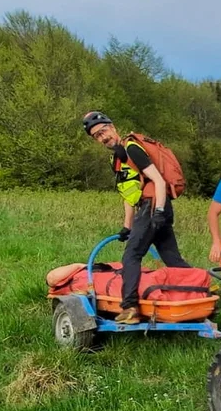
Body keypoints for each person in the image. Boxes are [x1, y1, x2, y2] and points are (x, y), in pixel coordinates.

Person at [82, 111, 192, 324]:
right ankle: (200, 291)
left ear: (112, 127)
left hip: (154, 205)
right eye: (97, 136)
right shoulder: (118, 157)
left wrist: (158, 212)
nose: (103, 137)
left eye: (103, 131)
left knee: (131, 256)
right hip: (150, 206)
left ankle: (130, 307)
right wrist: (127, 226)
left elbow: (158, 181)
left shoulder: (132, 148)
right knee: (172, 259)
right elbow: (129, 194)